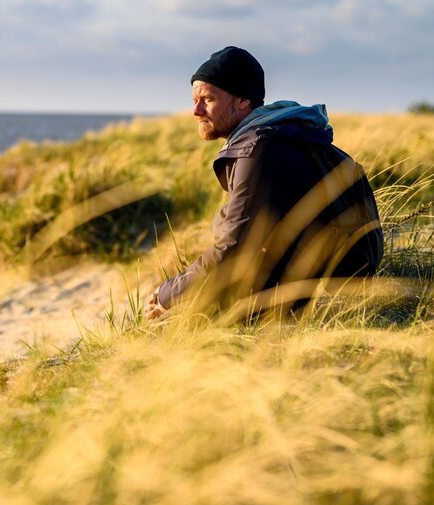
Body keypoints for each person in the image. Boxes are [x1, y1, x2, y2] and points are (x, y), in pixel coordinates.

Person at [144, 46, 384, 320]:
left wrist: (167, 295)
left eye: (208, 99)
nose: (196, 111)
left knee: (172, 324)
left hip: (313, 295)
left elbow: (233, 251)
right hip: (320, 281)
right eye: (195, 100)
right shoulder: (282, 135)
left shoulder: (259, 151)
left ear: (243, 100)